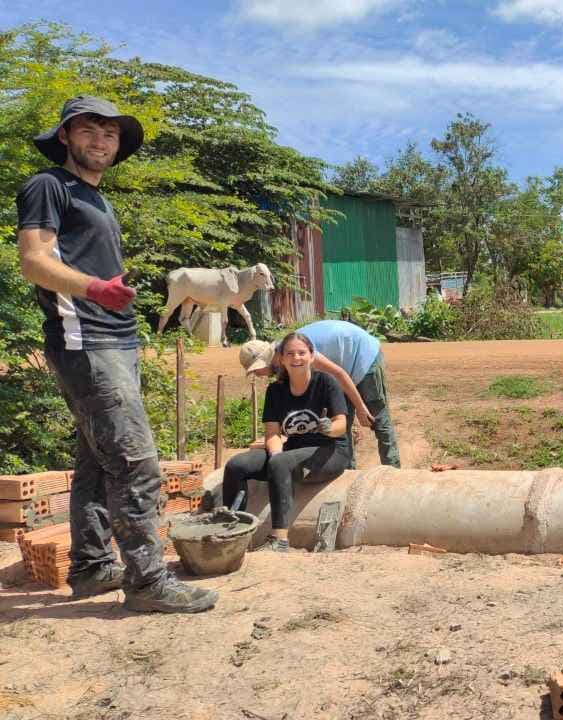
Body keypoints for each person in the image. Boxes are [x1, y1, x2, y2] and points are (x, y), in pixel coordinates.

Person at [16, 97, 216, 612]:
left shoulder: (98, 199)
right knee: (134, 463)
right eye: (89, 129)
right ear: (65, 135)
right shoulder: (49, 186)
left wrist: (113, 295)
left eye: (110, 133)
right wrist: (95, 290)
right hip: (85, 339)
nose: (101, 140)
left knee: (96, 461)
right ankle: (147, 583)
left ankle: (90, 567)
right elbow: (34, 261)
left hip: (117, 339)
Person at [222, 332, 352, 551]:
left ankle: (279, 539)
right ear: (281, 358)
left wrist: (329, 428)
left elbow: (341, 424)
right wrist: (275, 455)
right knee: (236, 466)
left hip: (330, 451)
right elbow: (272, 434)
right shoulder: (275, 391)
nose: (296, 358)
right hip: (295, 450)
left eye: (302, 353)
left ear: (311, 356)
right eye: (290, 354)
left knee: (281, 463)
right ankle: (232, 531)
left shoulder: (326, 383)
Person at [240, 319, 399, 468]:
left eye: (256, 370)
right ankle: (348, 472)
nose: (257, 374)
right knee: (342, 422)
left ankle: (392, 469)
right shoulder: (284, 363)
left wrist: (360, 407)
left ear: (266, 360)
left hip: (361, 353)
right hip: (341, 367)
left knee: (377, 418)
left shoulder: (298, 353)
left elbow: (339, 374)